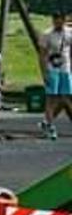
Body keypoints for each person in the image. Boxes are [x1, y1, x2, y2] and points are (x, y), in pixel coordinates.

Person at [40, 11, 71, 140]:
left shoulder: (69, 33)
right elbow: (42, 55)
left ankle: (46, 121)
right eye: (55, 19)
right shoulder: (47, 34)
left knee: (66, 98)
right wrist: (44, 72)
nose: (57, 22)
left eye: (60, 19)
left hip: (65, 68)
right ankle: (50, 126)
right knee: (51, 98)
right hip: (52, 68)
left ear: (64, 20)